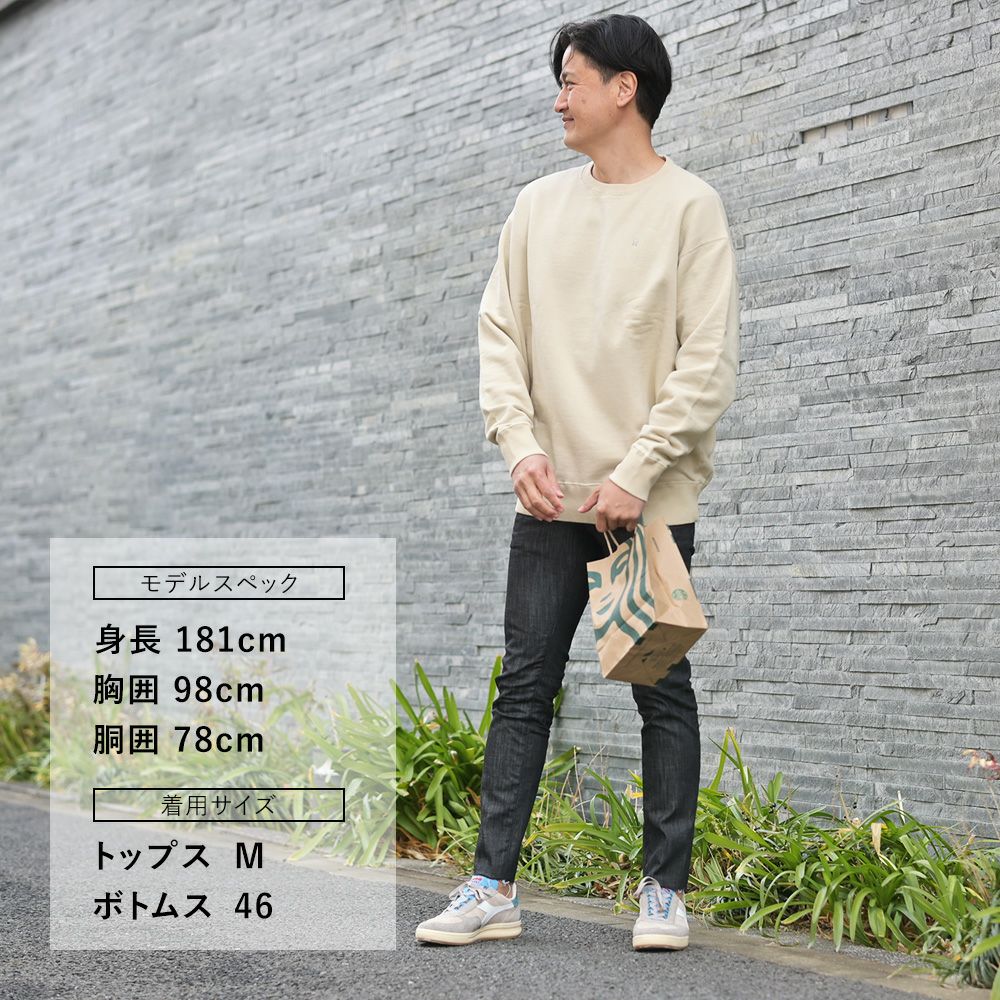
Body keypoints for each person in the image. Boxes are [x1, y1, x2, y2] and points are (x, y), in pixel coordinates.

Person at [415, 12, 740, 950]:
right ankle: (492, 887)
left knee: (658, 690)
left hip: (644, 505)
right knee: (524, 686)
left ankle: (664, 894)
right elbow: (499, 335)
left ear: (624, 89)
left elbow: (707, 364)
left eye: (572, 81)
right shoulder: (536, 208)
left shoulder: (691, 208)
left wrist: (636, 473)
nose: (559, 100)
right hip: (550, 498)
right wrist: (519, 446)